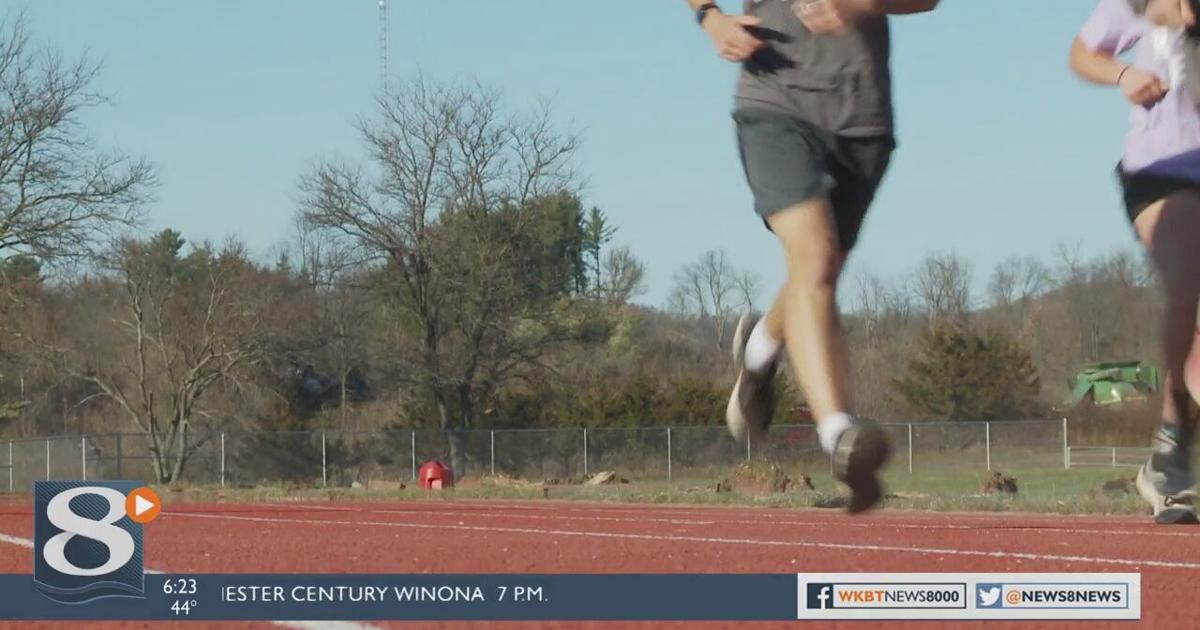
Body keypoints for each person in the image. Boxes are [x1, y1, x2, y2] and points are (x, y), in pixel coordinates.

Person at [685, 0, 939, 512]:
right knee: (816, 258)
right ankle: (839, 435)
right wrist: (710, 17)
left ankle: (759, 351)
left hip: (861, 119)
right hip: (774, 103)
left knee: (819, 271)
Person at [1071, 0, 1200, 524]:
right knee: (1188, 285)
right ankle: (1172, 444)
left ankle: (1172, 439)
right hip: (1161, 171)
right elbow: (1083, 53)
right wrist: (1123, 72)